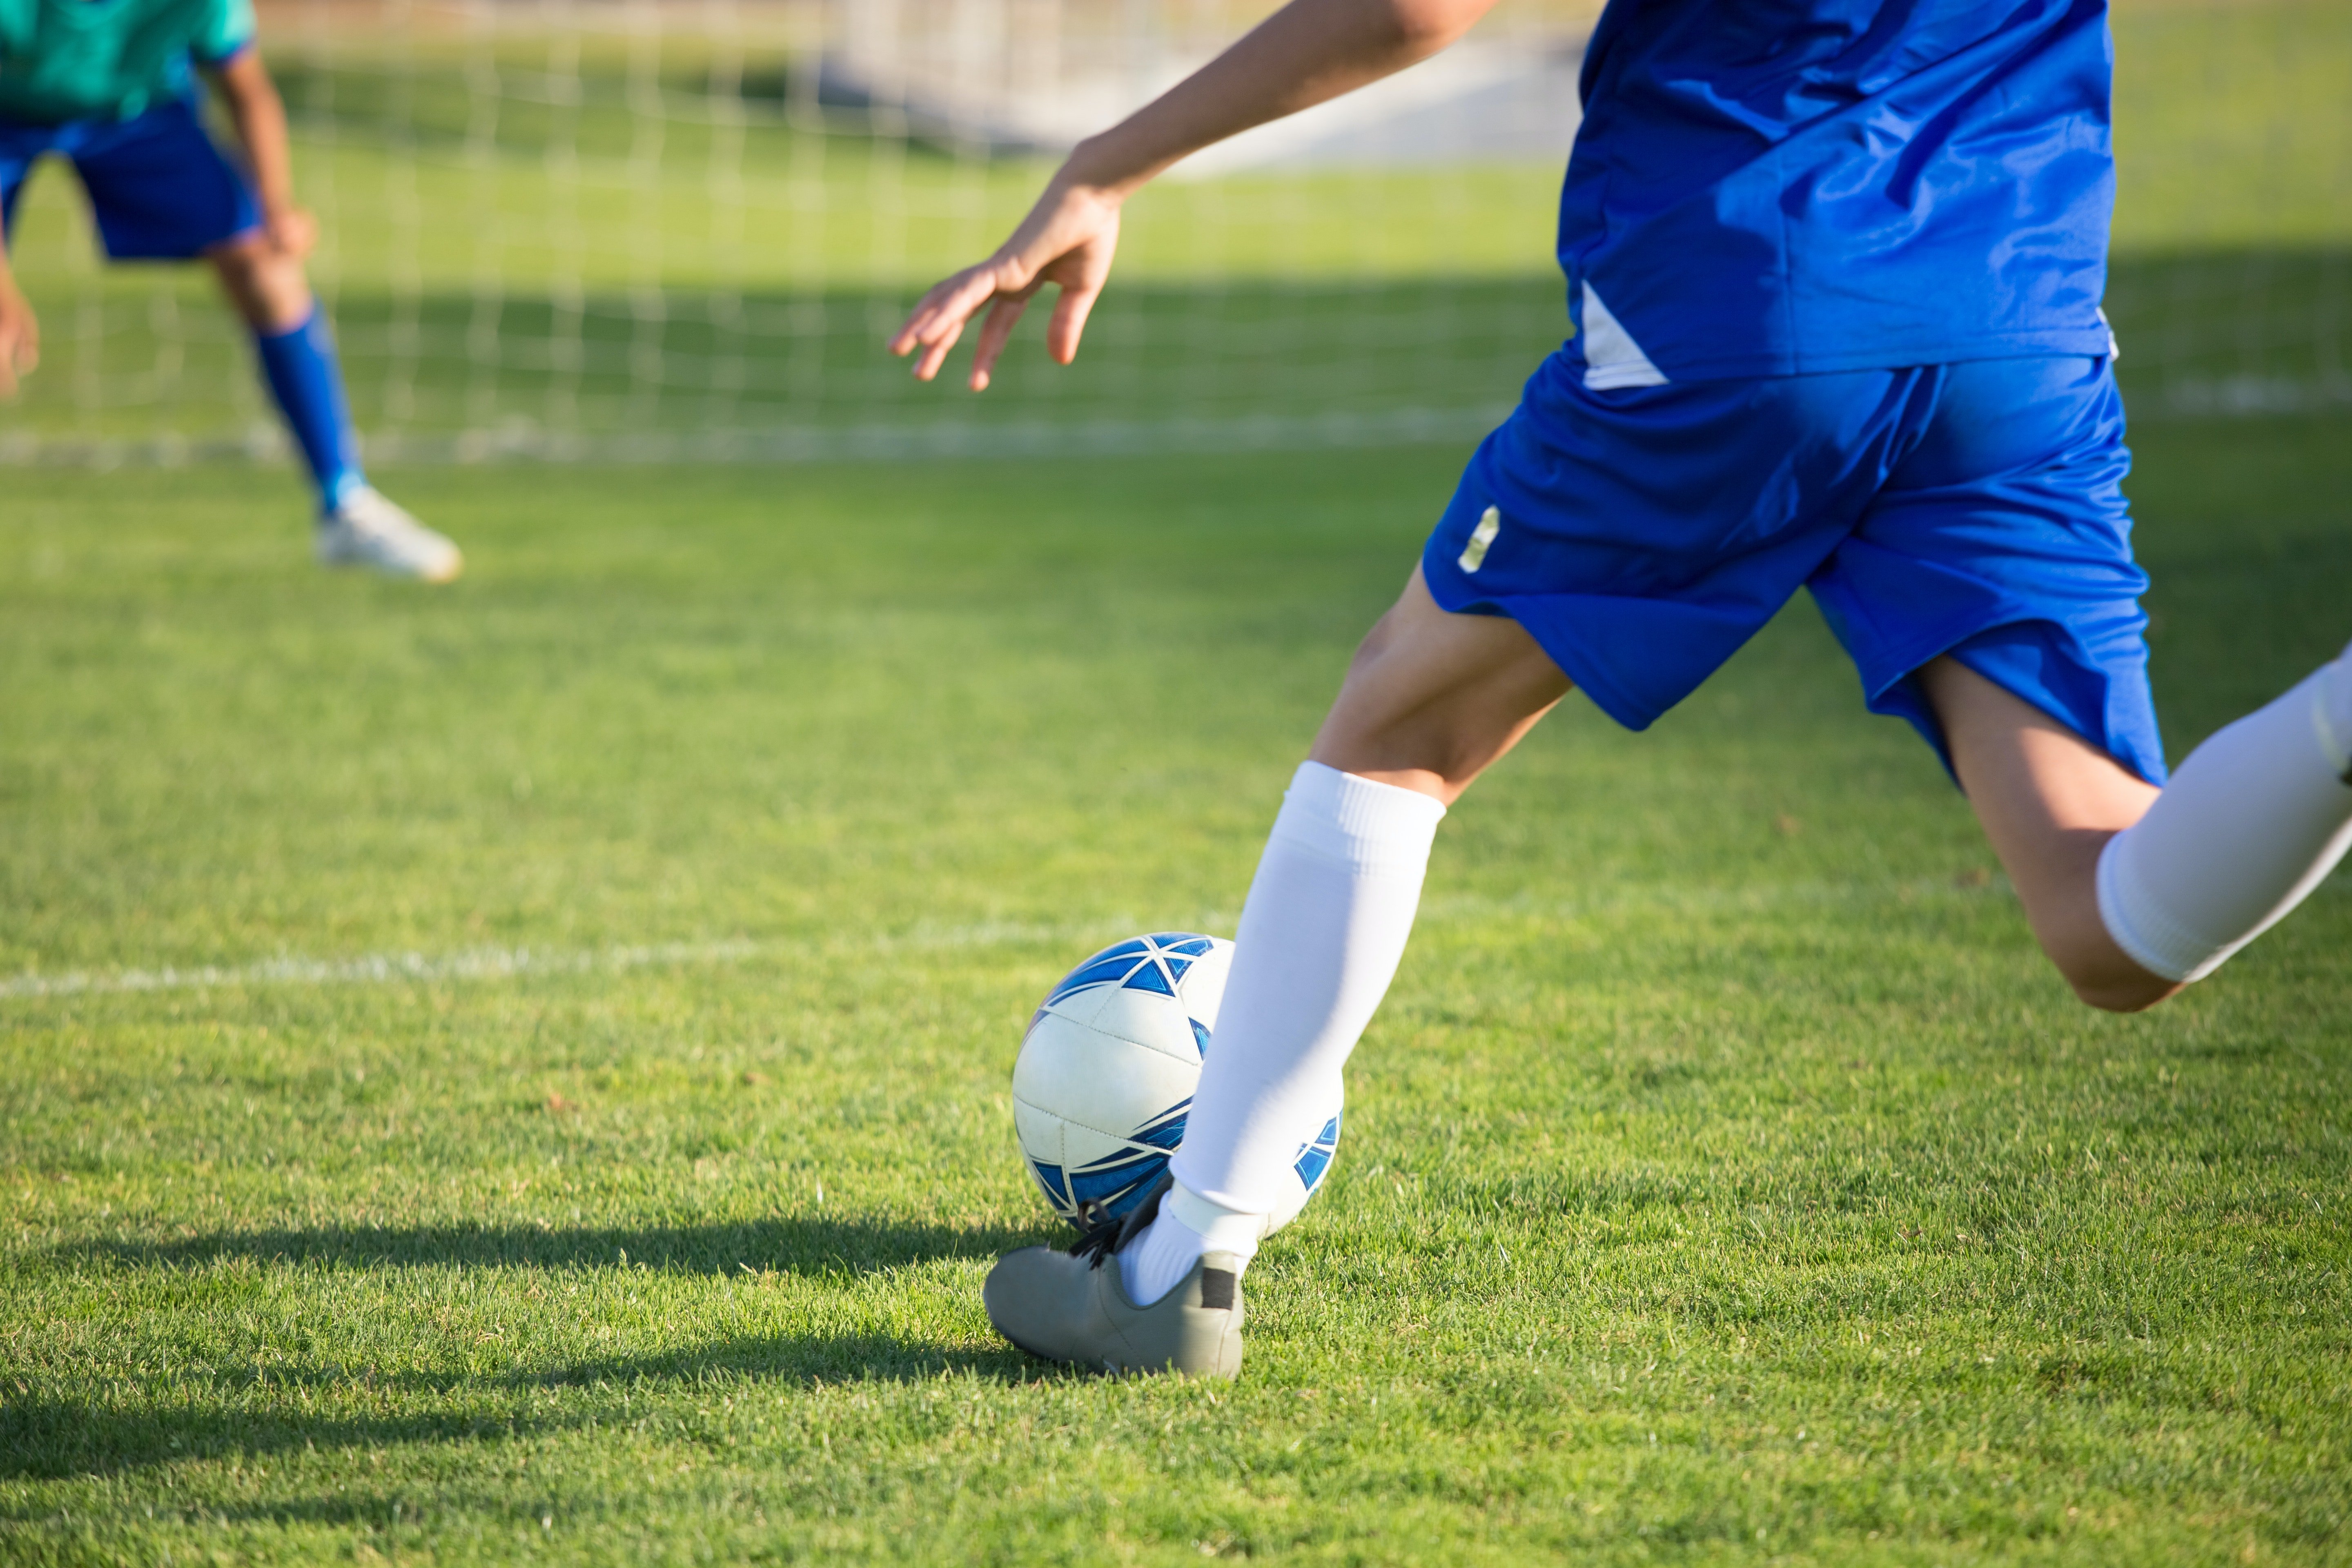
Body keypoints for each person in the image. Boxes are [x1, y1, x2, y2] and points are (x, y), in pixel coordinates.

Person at [891, 0, 2352, 1379]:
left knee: (1404, 725)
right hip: (2018, 329)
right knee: (2112, 921)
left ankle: (1175, 1272)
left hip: (1743, 298)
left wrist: (1106, 163)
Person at [0, 0, 461, 581]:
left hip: (137, 114)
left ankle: (346, 504)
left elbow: (249, 91)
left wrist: (277, 208)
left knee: (269, 271)